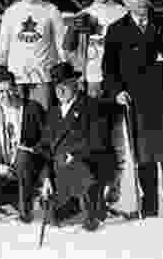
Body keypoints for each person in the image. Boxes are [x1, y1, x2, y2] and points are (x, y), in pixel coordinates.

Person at [102, 0, 163, 218]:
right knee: (144, 159)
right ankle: (149, 208)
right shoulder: (116, 30)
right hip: (136, 105)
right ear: (126, 3)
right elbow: (109, 69)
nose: (143, 1)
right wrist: (116, 91)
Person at [65, 0, 127, 205]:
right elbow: (68, 48)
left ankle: (117, 181)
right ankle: (96, 183)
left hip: (116, 81)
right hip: (91, 80)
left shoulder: (121, 12)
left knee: (116, 133)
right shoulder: (83, 14)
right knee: (95, 135)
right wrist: (77, 70)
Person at [36, 62, 117, 231]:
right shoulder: (53, 113)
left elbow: (99, 142)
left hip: (87, 168)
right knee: (53, 216)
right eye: (57, 86)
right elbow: (44, 148)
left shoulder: (92, 107)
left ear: (76, 84)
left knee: (79, 171)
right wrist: (46, 177)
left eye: (64, 85)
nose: (60, 90)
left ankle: (92, 210)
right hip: (61, 174)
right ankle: (81, 206)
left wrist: (75, 154)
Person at [0, 0, 67, 110]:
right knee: (18, 119)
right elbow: (3, 45)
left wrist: (65, 68)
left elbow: (61, 43)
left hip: (43, 77)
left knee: (42, 120)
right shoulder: (11, 12)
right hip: (16, 77)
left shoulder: (51, 10)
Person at [0, 66, 43, 223]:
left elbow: (46, 139)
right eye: (1, 92)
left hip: (28, 166)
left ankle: (24, 210)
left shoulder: (32, 108)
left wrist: (31, 151)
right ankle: (20, 197)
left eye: (9, 90)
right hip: (5, 170)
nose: (5, 95)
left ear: (15, 88)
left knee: (23, 156)